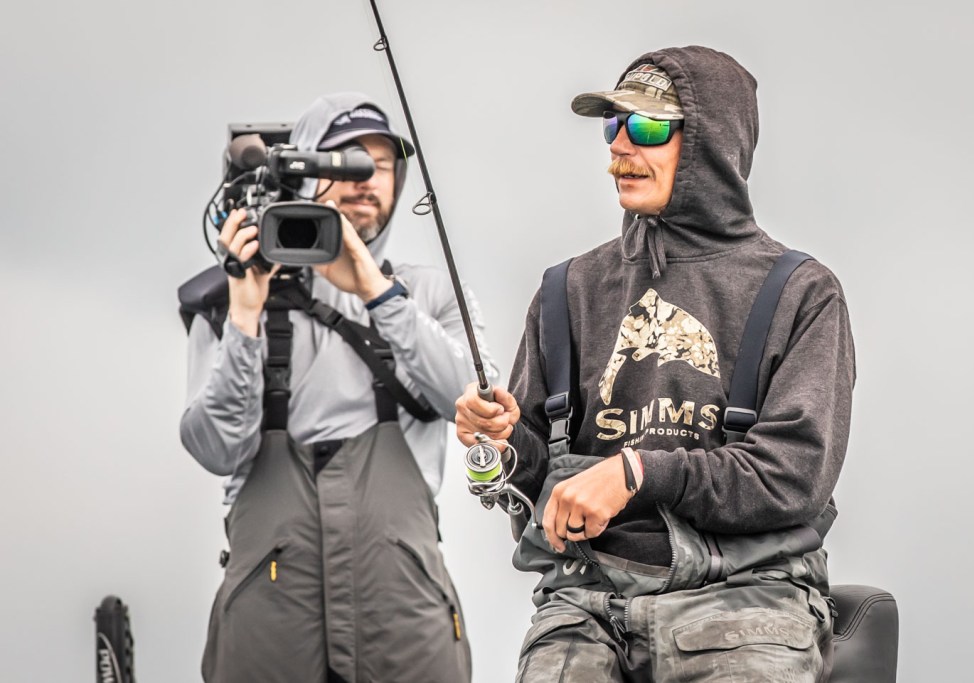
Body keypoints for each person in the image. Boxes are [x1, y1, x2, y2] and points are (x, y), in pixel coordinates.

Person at [455, 46, 854, 682]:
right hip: (585, 605)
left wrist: (638, 473)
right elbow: (535, 484)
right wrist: (504, 444)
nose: (619, 147)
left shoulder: (803, 293)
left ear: (710, 143)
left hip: (748, 602)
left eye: (646, 127)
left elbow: (793, 476)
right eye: (613, 125)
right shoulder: (566, 290)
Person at [181, 92, 493, 683]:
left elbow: (478, 406)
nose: (364, 179)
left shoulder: (430, 294)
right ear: (299, 176)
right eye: (343, 163)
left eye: (380, 165)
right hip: (271, 609)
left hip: (402, 604)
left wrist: (378, 294)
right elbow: (216, 449)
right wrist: (245, 313)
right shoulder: (226, 298)